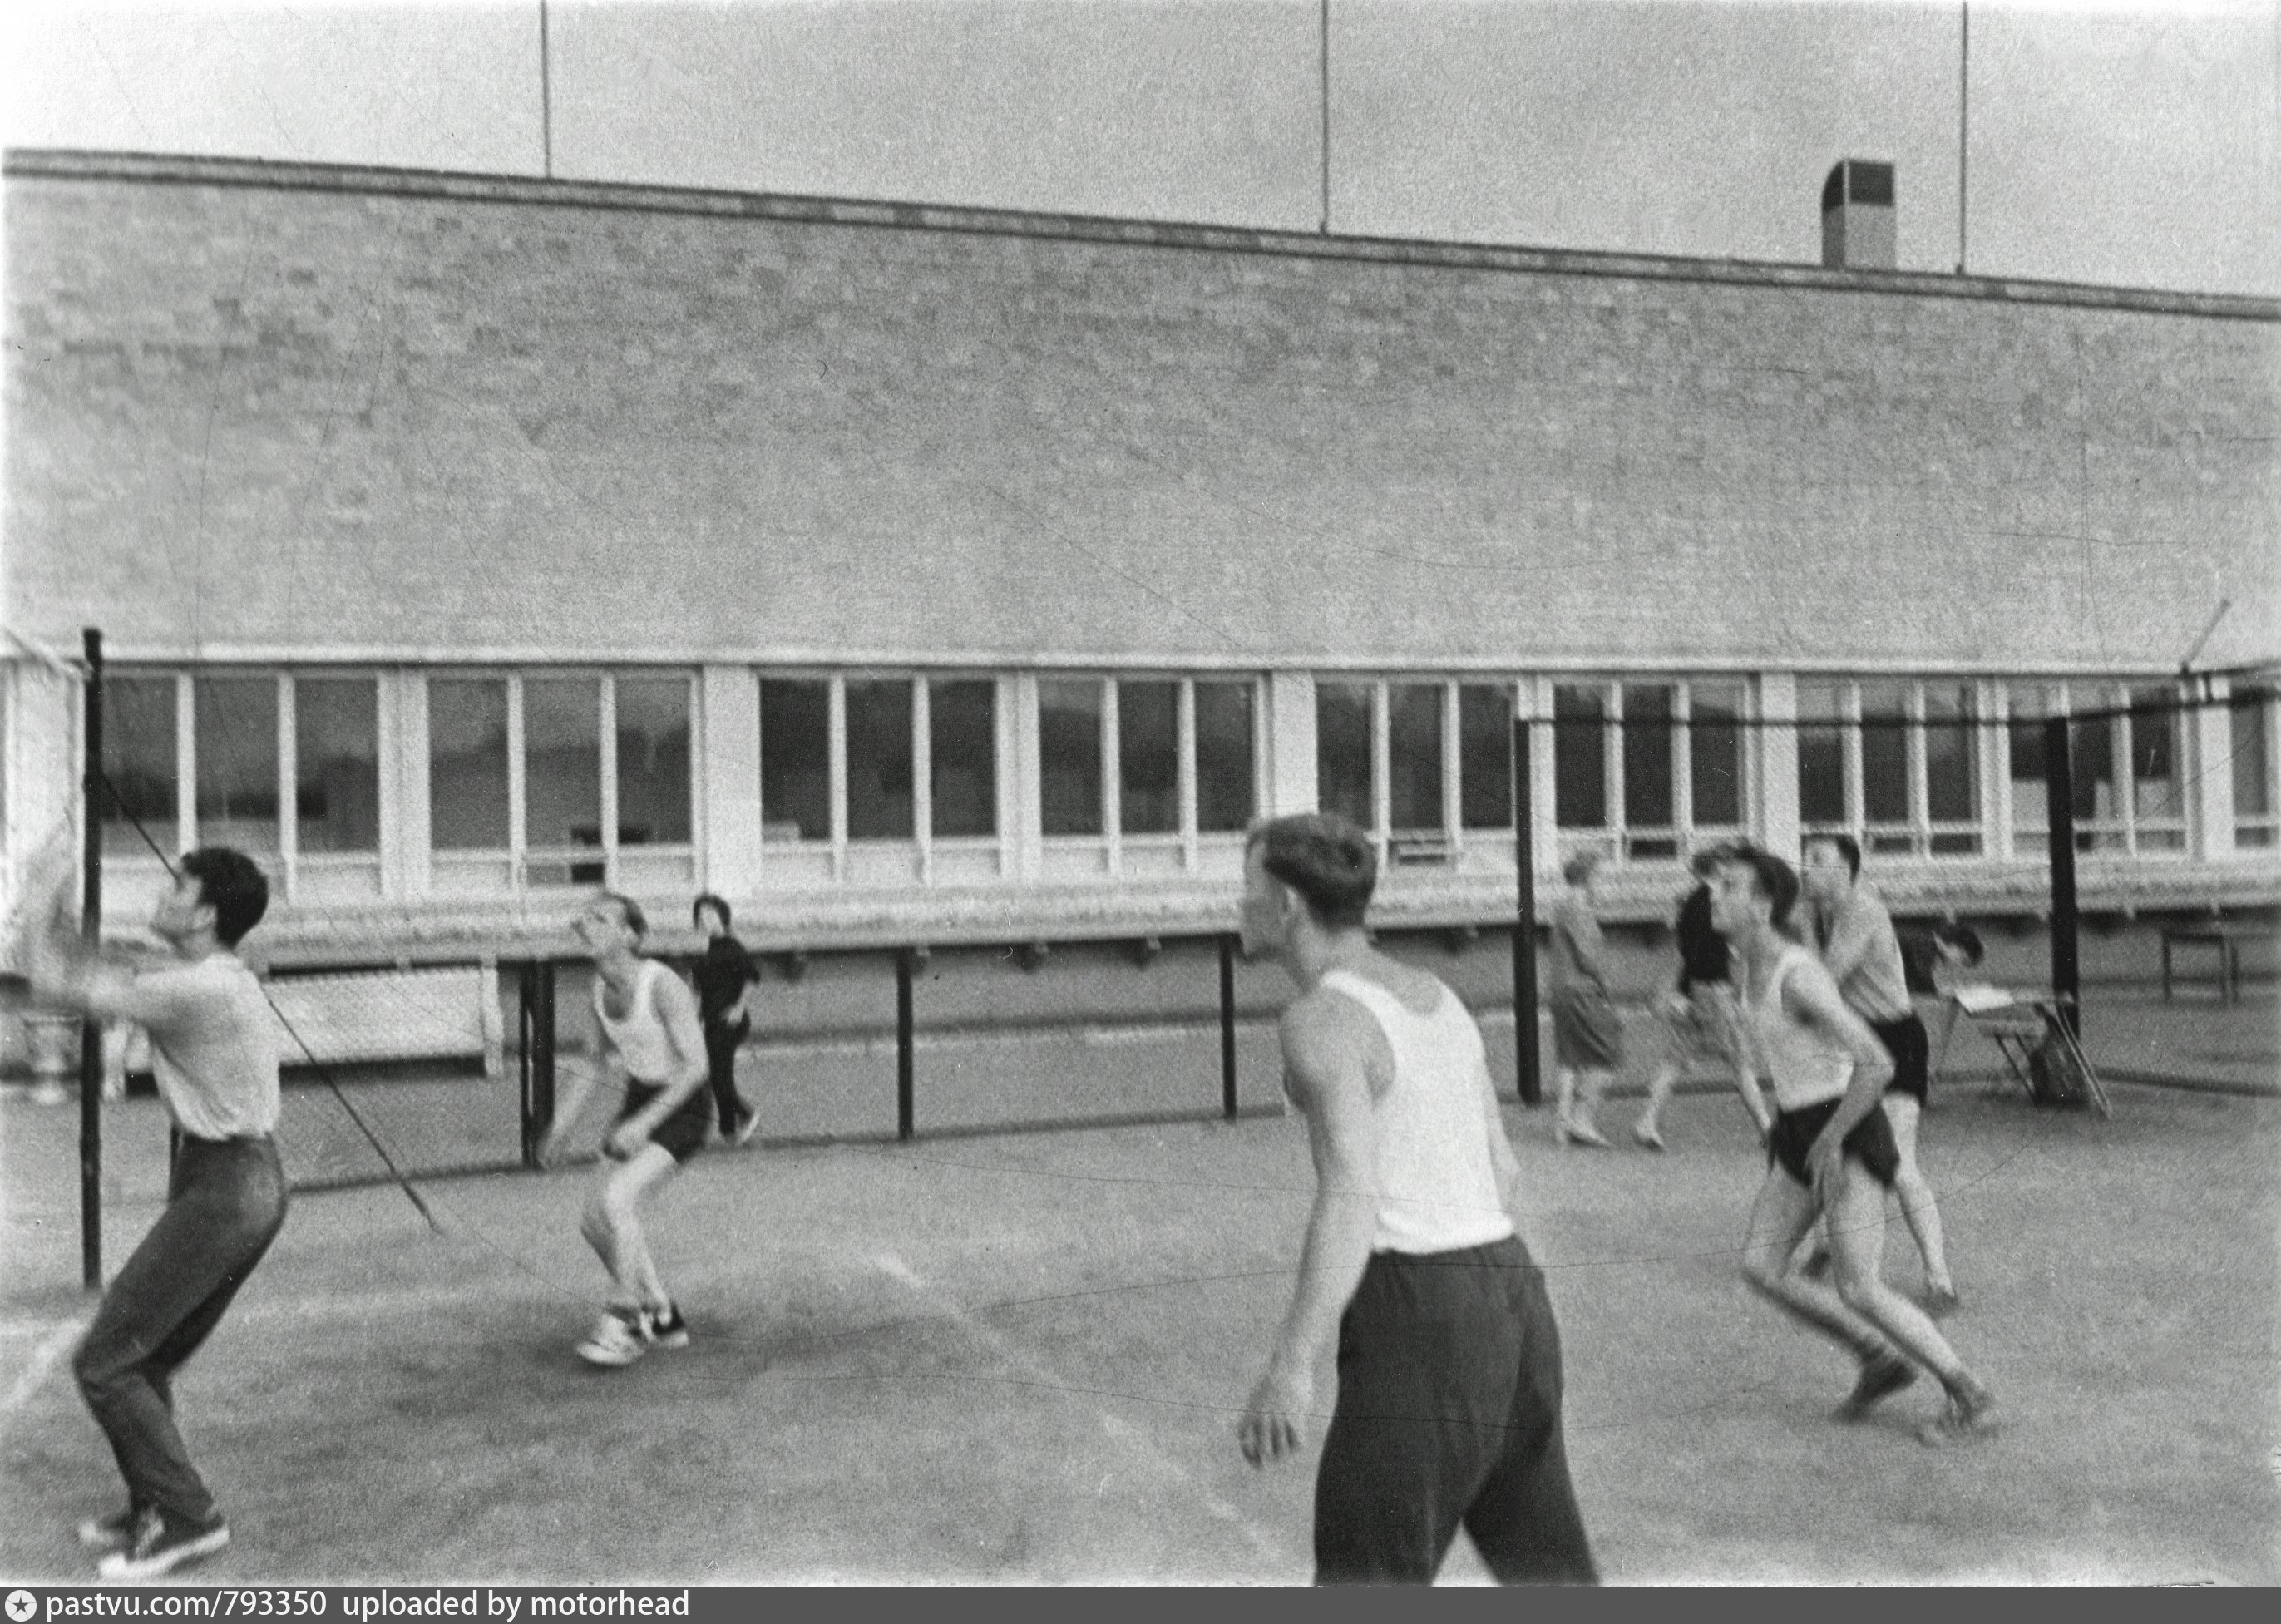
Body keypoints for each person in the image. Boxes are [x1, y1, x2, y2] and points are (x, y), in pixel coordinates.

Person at [1235, 812, 1597, 1584]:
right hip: (1512, 1292)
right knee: (1551, 1575)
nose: (1237, 904)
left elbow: (1350, 1195)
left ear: (1288, 904)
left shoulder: (1319, 1017)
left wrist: (1291, 1363)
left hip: (1419, 1307)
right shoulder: (1437, 996)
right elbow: (1504, 1171)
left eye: (1246, 887)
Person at [27, 848, 289, 1579]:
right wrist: (62, 921)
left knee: (107, 1361)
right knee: (144, 1356)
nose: (163, 893)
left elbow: (54, 980)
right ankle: (155, 1497)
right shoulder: (208, 975)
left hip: (228, 1188)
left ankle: (187, 1518)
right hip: (233, 1179)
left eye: (179, 887)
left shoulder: (199, 989)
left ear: (204, 914)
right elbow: (106, 961)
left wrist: (38, 895)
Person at [1711, 845, 1997, 1445]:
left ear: (1762, 906)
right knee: (1761, 1265)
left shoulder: (1798, 974)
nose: (1715, 893)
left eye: (1729, 886)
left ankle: (1969, 1394)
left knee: (1859, 1286)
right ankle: (1878, 1360)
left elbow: (1875, 1061)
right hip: (1801, 1127)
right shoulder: (1750, 967)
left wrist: (1833, 1140)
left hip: (1847, 1127)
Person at [542, 891, 711, 1367]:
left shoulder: (663, 985)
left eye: (600, 918)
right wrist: (560, 1126)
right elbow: (592, 1064)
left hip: (683, 1107)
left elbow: (696, 1066)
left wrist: (644, 1124)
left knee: (618, 1201)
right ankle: (660, 1311)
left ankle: (623, 1318)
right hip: (640, 1101)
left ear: (630, 935)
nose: (585, 925)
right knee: (593, 1222)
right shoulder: (598, 989)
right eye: (584, 918)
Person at [1800, 835, 1958, 1315]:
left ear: (1846, 869)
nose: (1805, 868)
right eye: (1805, 859)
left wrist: (1801, 930)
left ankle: (1939, 1279)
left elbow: (1823, 978)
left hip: (1894, 1041)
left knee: (1899, 1165)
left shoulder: (1864, 911)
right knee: (1827, 1146)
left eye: (1817, 860)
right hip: (1850, 1042)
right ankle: (1826, 1244)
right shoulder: (1817, 913)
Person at [1632, 847, 1771, 1151]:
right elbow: (1707, 950)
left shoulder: (1690, 902)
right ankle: (1767, 1129)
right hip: (1714, 989)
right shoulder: (1712, 901)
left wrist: (1684, 992)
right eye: (1729, 867)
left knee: (1676, 1059)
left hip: (1695, 988)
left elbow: (1685, 951)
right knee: (1740, 1061)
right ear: (1718, 868)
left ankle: (1647, 1120)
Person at [1547, 851, 1623, 1148]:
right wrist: (1606, 987)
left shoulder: (1562, 907)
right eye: (1600, 877)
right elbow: (1588, 958)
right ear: (1588, 878)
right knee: (1608, 1051)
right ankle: (1583, 1120)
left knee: (1570, 1057)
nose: (1602, 884)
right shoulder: (1579, 909)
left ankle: (1562, 1122)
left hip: (1560, 990)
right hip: (1581, 991)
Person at [690, 892, 763, 1145]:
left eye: (710, 915)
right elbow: (704, 991)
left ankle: (743, 1116)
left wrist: (738, 1007)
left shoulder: (731, 947)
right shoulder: (709, 949)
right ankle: (729, 1129)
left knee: (719, 1074)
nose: (705, 921)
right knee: (717, 1074)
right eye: (700, 917)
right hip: (712, 1020)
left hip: (729, 1020)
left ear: (722, 916)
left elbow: (752, 976)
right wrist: (697, 1017)